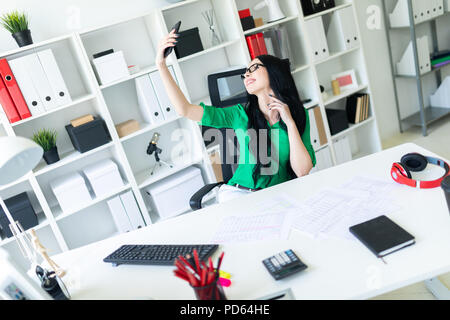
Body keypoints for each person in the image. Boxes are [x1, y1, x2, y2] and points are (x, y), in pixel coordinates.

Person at [155, 29, 316, 203]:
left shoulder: (298, 115)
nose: (246, 74)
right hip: (240, 194)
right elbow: (184, 110)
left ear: (274, 71)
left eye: (254, 68)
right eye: (245, 72)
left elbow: (302, 171)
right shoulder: (239, 114)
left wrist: (290, 123)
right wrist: (161, 65)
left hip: (278, 195)